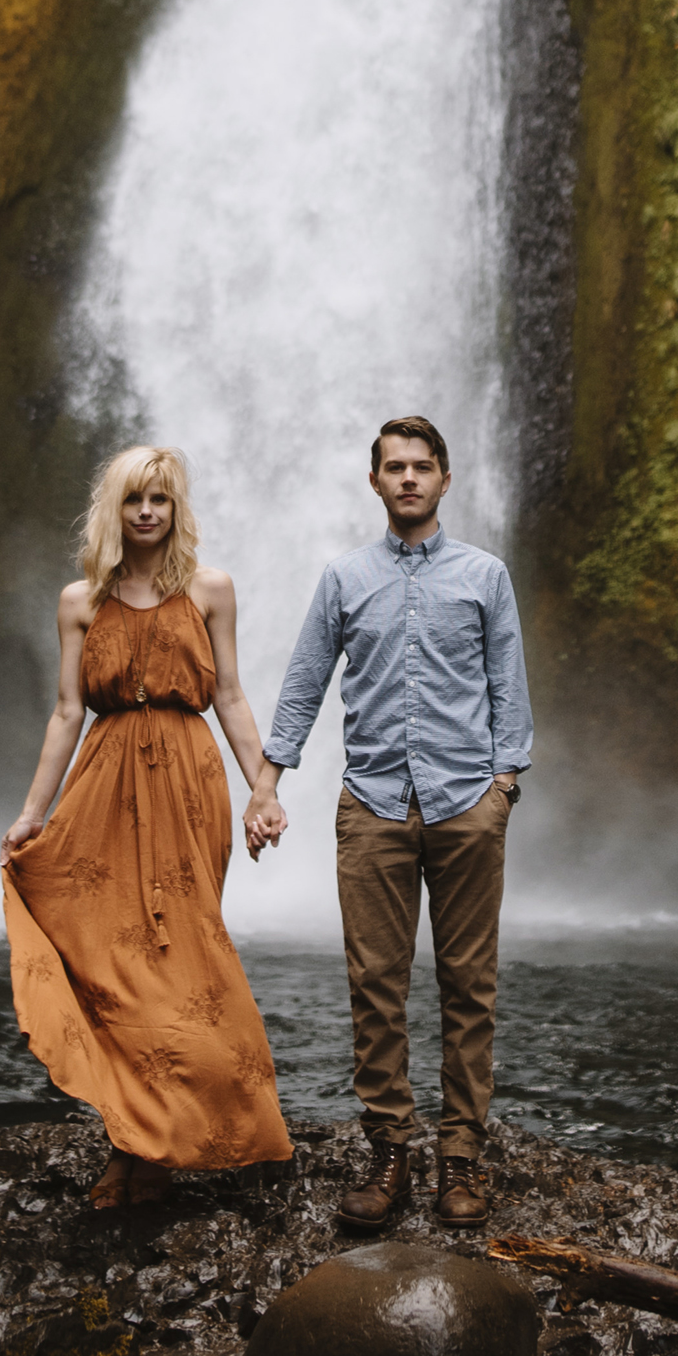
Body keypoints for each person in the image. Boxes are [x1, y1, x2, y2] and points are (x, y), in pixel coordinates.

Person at [256, 412, 533, 1231]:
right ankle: (389, 1154)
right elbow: (304, 684)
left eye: (422, 466)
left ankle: (461, 1159)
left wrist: (504, 785)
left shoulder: (486, 575)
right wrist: (267, 784)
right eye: (393, 466)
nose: (408, 477)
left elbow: (509, 683)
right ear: (374, 481)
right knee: (375, 987)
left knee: (468, 987)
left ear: (445, 479)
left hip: (465, 806)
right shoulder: (344, 578)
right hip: (373, 803)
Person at [1, 442, 293, 1209]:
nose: (147, 512)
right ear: (114, 509)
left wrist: (263, 788)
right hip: (102, 785)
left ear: (176, 508)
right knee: (110, 967)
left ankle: (183, 1137)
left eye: (160, 499)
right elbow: (68, 710)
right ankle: (132, 1146)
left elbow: (229, 695)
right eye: (134, 499)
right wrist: (34, 813)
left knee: (179, 955)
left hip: (188, 785)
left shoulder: (211, 589)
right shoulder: (79, 601)